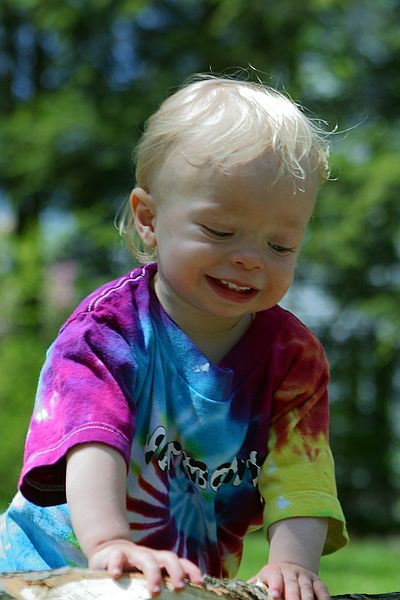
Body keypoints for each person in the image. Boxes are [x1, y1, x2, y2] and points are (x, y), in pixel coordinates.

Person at [0, 74, 348, 600]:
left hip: (182, 579)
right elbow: (92, 436)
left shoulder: (292, 359)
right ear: (149, 218)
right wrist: (110, 541)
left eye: (281, 245)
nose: (250, 258)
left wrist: (292, 566)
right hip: (47, 572)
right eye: (220, 231)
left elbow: (301, 474)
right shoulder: (109, 330)